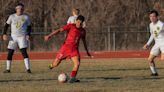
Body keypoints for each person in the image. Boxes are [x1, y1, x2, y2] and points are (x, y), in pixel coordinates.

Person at [44, 15, 91, 83]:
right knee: (55, 64)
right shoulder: (71, 26)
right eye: (78, 22)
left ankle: (72, 78)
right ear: (76, 21)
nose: (79, 24)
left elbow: (84, 41)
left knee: (77, 63)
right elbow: (59, 30)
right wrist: (49, 36)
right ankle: (51, 65)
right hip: (65, 48)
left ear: (82, 23)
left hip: (74, 50)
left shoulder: (83, 31)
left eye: (81, 23)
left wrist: (87, 51)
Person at [2, 3, 32, 73]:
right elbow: (6, 25)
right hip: (13, 37)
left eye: (22, 9)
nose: (20, 10)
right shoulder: (12, 16)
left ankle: (28, 69)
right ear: (16, 9)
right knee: (10, 53)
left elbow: (29, 27)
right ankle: (8, 69)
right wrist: (4, 34)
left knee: (24, 52)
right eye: (19, 8)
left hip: (22, 37)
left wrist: (28, 34)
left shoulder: (26, 17)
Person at [143, 10, 164, 76]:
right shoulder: (151, 25)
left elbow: (156, 33)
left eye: (153, 16)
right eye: (150, 16)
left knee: (163, 59)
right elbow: (152, 35)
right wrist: (148, 44)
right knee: (150, 59)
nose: (152, 18)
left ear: (157, 17)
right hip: (157, 43)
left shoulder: (161, 25)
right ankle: (154, 73)